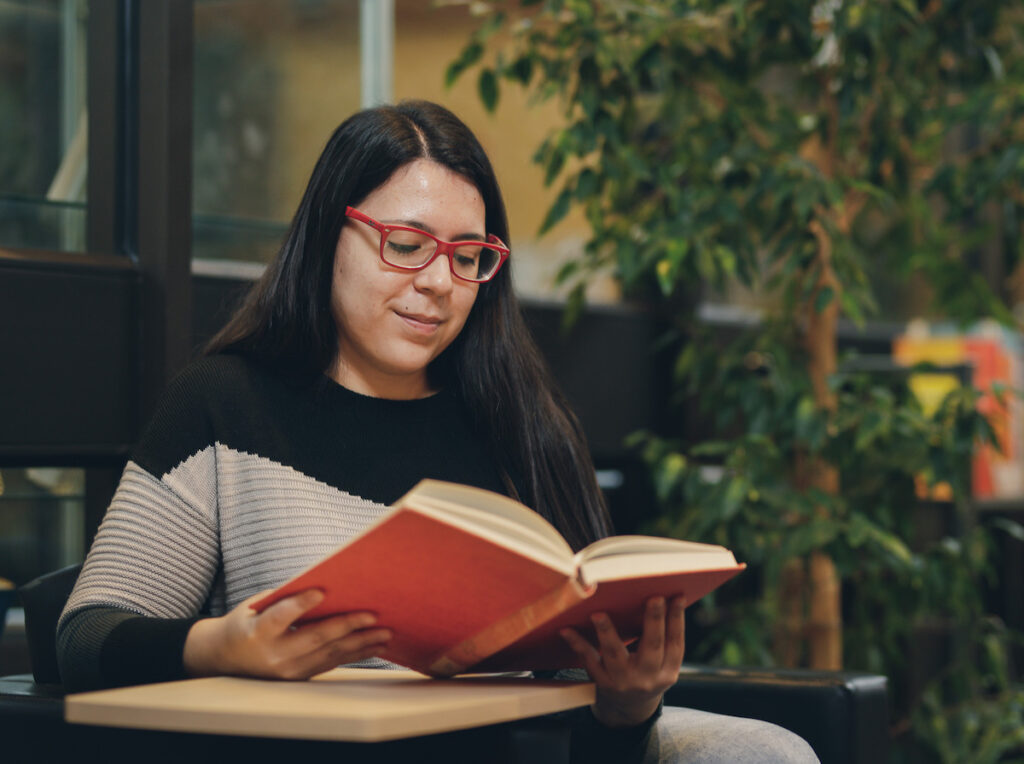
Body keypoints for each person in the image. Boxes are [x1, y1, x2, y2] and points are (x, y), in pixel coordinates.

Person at [57, 100, 817, 763]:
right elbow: (85, 635)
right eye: (408, 245)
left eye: (468, 257)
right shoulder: (223, 407)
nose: (439, 283)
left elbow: (575, 734)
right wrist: (220, 646)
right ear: (330, 234)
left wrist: (628, 707)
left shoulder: (523, 425)